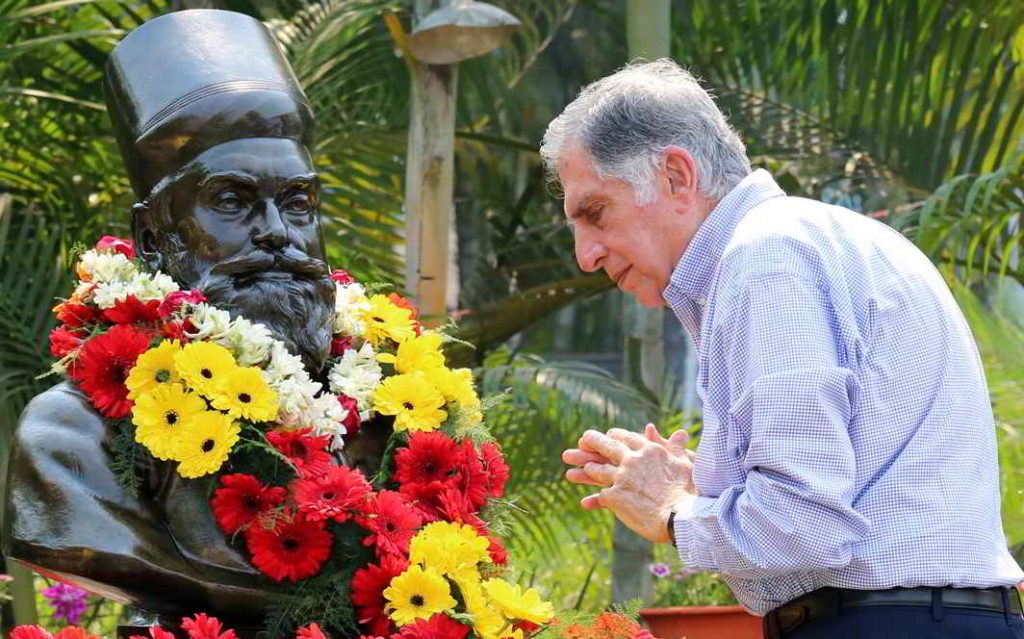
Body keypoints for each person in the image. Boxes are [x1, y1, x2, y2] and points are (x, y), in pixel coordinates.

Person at [546, 59, 1024, 638]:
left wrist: (674, 510)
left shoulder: (765, 257)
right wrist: (704, 490)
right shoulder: (811, 237)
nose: (585, 254)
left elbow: (803, 523)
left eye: (595, 213)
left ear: (676, 175)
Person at [3, 9, 385, 628]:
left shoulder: (387, 407)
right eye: (232, 201)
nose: (275, 234)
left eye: (298, 203)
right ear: (153, 240)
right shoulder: (66, 437)